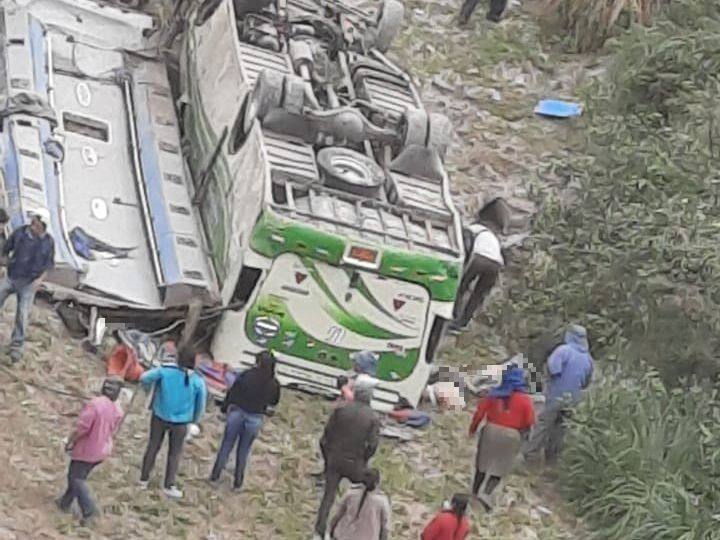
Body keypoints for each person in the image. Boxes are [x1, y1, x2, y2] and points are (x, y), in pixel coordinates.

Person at [314, 380, 380, 539]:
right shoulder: (372, 418)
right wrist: (364, 460)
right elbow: (372, 445)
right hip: (355, 463)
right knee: (363, 494)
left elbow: (326, 436)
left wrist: (327, 457)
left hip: (335, 459)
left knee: (328, 496)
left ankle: (319, 531)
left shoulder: (341, 410)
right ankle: (355, 529)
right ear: (370, 396)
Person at [139, 347, 207, 499]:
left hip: (160, 415)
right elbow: (201, 404)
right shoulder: (197, 381)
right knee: (175, 453)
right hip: (181, 422)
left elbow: (144, 378)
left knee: (153, 447)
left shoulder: (165, 371)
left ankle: (143, 479)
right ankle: (169, 485)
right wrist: (195, 421)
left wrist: (149, 391)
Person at [209, 350, 281, 490]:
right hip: (255, 418)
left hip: (237, 413)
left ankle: (215, 476)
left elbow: (233, 393)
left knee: (226, 445)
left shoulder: (246, 375)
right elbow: (274, 402)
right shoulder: (274, 384)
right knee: (244, 451)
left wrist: (224, 409)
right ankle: (238, 482)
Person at [57, 379, 124, 525]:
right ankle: (65, 502)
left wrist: (70, 440)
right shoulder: (118, 409)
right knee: (78, 476)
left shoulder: (95, 404)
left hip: (88, 449)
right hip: (103, 449)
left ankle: (89, 511)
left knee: (76, 478)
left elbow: (82, 428)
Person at [524, 324, 594, 464]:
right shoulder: (588, 359)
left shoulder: (563, 351)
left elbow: (554, 368)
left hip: (556, 394)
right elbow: (586, 382)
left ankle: (530, 455)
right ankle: (552, 460)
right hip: (573, 400)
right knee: (560, 429)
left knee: (544, 424)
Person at [468, 364, 535, 510]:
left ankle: (474, 492)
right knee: (500, 467)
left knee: (482, 464)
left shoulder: (493, 394)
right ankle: (486, 493)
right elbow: (529, 421)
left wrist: (472, 429)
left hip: (490, 431)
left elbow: (479, 413)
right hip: (511, 435)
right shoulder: (525, 400)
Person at [0, 207, 54, 362]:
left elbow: (49, 264)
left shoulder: (48, 243)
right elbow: (5, 249)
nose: (33, 225)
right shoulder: (20, 233)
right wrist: (3, 266)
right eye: (33, 222)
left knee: (22, 315)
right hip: (12, 277)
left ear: (43, 225)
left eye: (36, 223)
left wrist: (40, 280)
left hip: (29, 284)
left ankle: (16, 348)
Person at [450, 198, 509, 332]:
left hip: (479, 258)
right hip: (496, 263)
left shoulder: (474, 228)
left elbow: (464, 248)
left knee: (461, 286)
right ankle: (462, 323)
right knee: (478, 295)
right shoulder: (494, 237)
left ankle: (453, 316)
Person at [329, 468, 390, 540]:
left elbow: (337, 516)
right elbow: (385, 527)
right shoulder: (381, 501)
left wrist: (331, 531)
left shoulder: (351, 494)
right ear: (377, 483)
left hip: (343, 536)